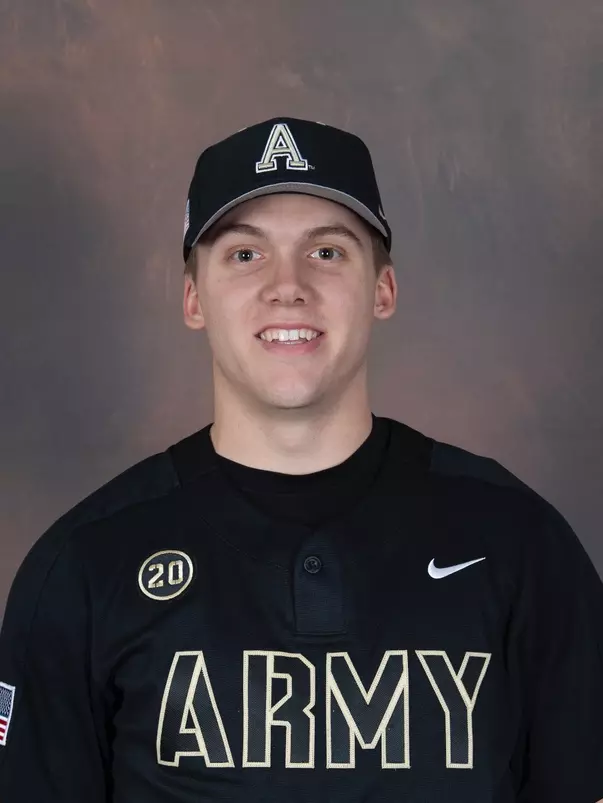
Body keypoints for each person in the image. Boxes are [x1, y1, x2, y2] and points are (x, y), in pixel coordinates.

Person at [0, 116, 601, 803]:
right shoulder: (83, 565)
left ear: (383, 288)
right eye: (244, 255)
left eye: (326, 252)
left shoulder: (518, 543)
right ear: (193, 296)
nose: (287, 286)